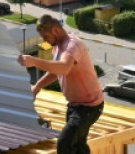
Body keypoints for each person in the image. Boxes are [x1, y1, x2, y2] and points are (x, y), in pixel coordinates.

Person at [18, 15, 103, 154]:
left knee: (64, 143)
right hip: (75, 106)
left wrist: (34, 61)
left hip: (89, 106)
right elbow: (56, 71)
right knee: (78, 145)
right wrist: (37, 86)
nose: (45, 41)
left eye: (46, 37)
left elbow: (63, 68)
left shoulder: (72, 45)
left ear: (56, 30)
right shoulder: (58, 46)